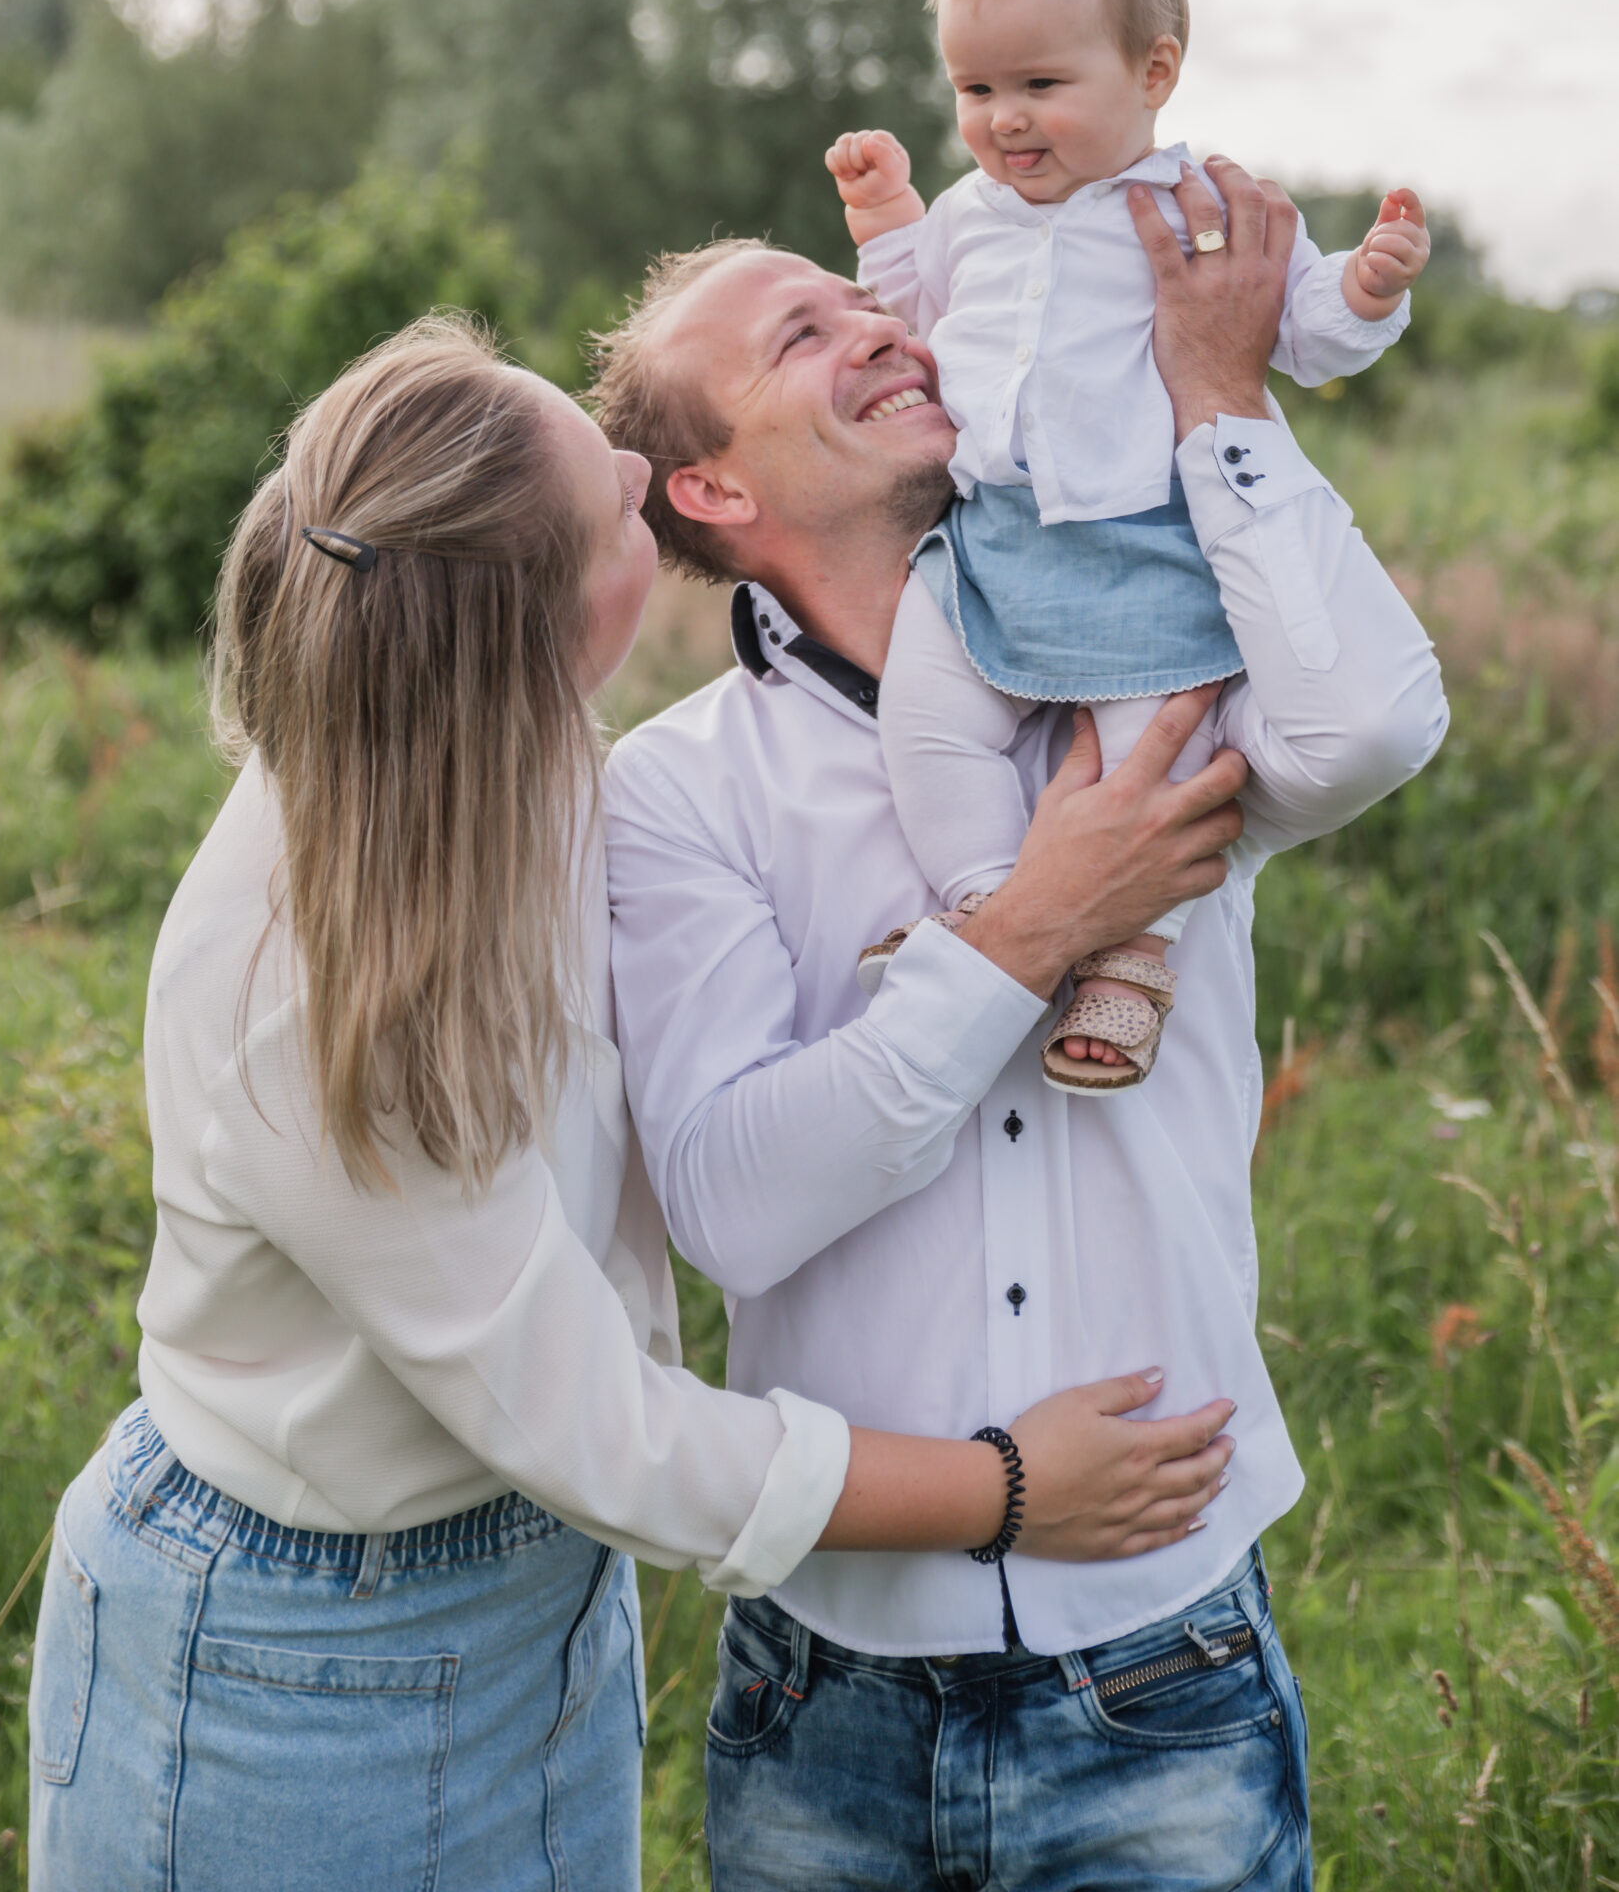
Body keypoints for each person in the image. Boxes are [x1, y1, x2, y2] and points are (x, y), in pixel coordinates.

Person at [28, 317, 1242, 1892]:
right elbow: (600, 1427)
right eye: (613, 509)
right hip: (292, 1657)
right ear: (543, 628)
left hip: (541, 1605)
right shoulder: (303, 982)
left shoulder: (516, 764)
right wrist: (1003, 1491)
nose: (635, 478)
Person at [592, 163, 1448, 1891]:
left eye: (870, 301)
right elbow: (733, 1205)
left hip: (1162, 1669)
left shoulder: (1158, 676)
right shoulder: (675, 791)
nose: (880, 322)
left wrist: (1214, 399)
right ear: (714, 485)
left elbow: (1367, 730)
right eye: (804, 330)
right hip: (820, 1699)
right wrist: (1034, 920)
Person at [826, 0, 1431, 1091]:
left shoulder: (1201, 202)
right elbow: (921, 323)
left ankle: (1133, 960)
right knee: (928, 719)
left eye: (1040, 86)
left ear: (1154, 70)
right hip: (992, 535)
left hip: (1143, 540)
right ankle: (994, 905)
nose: (1003, 122)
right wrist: (887, 215)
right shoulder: (969, 214)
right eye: (976, 91)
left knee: (1148, 754)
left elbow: (1299, 333)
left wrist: (1363, 289)